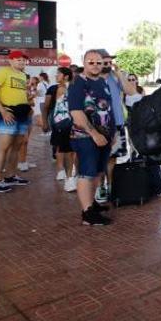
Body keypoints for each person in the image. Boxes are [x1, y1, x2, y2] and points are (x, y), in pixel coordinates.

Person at [68, 49, 116, 225]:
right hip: (85, 136)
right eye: (91, 62)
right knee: (86, 173)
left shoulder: (102, 82)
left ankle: (91, 203)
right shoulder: (78, 82)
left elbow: (107, 109)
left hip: (105, 136)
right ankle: (87, 213)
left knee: (97, 171)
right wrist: (93, 133)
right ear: (84, 62)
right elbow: (76, 112)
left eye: (98, 62)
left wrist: (113, 133)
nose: (95, 65)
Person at [0, 50, 32, 193]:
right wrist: (3, 110)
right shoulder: (3, 72)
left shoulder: (23, 75)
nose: (21, 62)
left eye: (23, 60)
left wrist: (28, 103)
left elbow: (19, 94)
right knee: (3, 146)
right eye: (18, 60)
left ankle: (10, 175)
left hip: (21, 113)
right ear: (10, 61)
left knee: (17, 146)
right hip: (7, 112)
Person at [94, 49, 138, 203]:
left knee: (112, 158)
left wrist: (119, 74)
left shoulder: (116, 77)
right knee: (99, 158)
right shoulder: (91, 78)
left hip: (117, 123)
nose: (107, 64)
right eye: (103, 61)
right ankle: (100, 187)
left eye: (109, 61)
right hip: (98, 125)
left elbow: (131, 91)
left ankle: (111, 185)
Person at [45, 67, 76, 189]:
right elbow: (51, 106)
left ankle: (66, 175)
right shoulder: (60, 89)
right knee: (66, 149)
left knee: (67, 149)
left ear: (66, 76)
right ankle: (67, 177)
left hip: (67, 122)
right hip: (63, 123)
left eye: (58, 74)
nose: (56, 76)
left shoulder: (68, 88)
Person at [16, 75, 38, 172]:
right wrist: (30, 99)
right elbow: (23, 102)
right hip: (21, 117)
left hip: (28, 116)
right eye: (26, 82)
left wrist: (30, 98)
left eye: (28, 82)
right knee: (22, 141)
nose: (28, 84)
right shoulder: (18, 91)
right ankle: (20, 162)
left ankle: (23, 160)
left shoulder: (27, 91)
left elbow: (32, 103)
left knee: (26, 141)